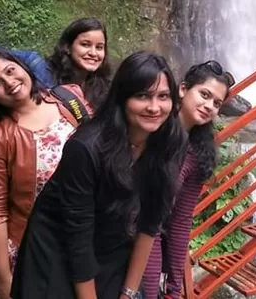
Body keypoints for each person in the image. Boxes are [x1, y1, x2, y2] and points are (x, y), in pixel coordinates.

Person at [11, 51, 187, 299]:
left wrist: (129, 292)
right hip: (58, 247)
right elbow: (78, 237)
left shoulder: (170, 141)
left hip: (111, 240)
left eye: (163, 97)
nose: (154, 107)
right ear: (122, 98)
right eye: (143, 96)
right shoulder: (86, 148)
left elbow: (150, 222)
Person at [0, 48, 92, 299]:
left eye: (10, 70)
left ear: (22, 66)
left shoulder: (70, 98)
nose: (10, 83)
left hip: (90, 234)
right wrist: (4, 276)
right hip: (37, 248)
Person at [142, 60, 235, 299]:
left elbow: (181, 219)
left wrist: (175, 287)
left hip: (148, 234)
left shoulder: (198, 152)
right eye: (204, 94)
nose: (209, 106)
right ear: (183, 89)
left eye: (217, 103)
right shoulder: (151, 126)